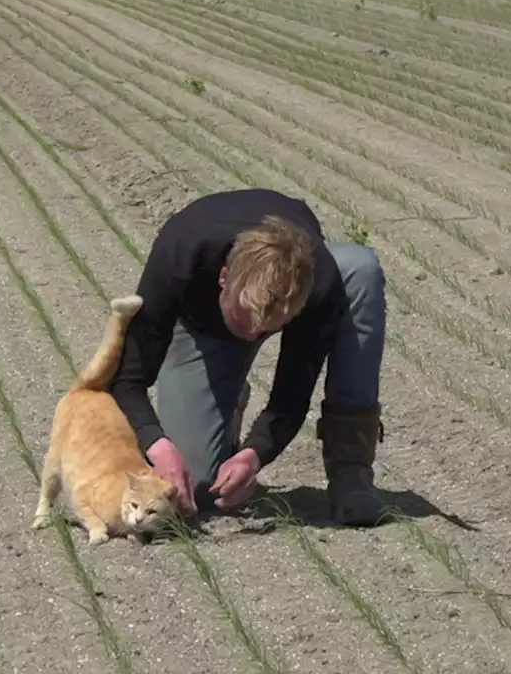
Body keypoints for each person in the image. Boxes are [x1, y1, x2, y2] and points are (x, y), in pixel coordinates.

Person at [108, 187, 390, 526]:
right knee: (195, 490)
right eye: (245, 322)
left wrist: (253, 456)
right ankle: (225, 403)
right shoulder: (181, 251)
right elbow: (127, 378)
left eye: (266, 329)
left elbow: (291, 395)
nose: (253, 336)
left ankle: (352, 471)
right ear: (224, 279)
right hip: (204, 328)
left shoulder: (316, 282)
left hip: (311, 278)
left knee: (360, 268)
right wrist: (158, 445)